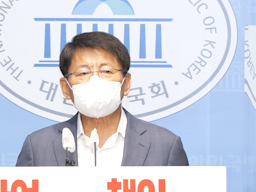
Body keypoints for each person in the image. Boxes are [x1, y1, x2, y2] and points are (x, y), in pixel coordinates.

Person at [16, 31, 188, 167]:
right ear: (66, 88)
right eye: (83, 73)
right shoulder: (38, 146)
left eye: (106, 71)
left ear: (126, 83)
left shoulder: (165, 145)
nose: (95, 80)